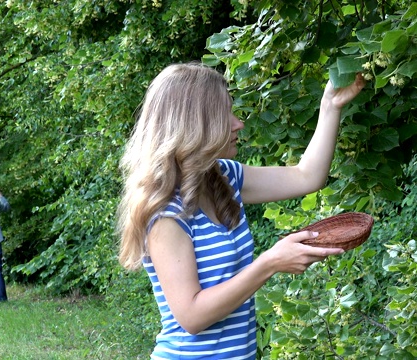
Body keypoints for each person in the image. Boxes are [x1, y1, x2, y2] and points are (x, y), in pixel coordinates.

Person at [117, 63, 365, 359]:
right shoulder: (166, 213)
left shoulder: (225, 177)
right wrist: (269, 263)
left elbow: (307, 176)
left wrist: (330, 105)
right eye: (226, 115)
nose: (238, 124)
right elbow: (192, 316)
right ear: (196, 125)